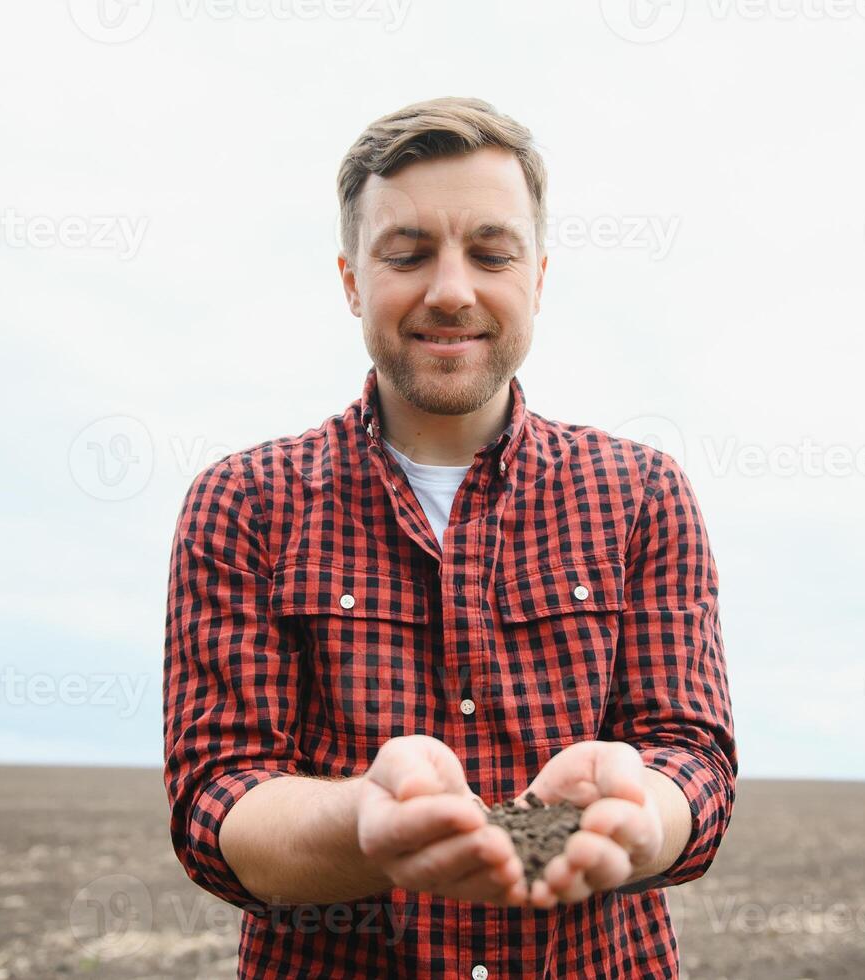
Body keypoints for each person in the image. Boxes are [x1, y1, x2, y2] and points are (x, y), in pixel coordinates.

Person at [163, 95, 737, 979]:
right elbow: (219, 801)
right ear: (352, 278)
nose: (451, 290)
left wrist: (640, 815)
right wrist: (365, 822)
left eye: (490, 252)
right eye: (407, 252)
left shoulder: (641, 493)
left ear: (537, 276)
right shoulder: (243, 504)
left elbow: (691, 755)